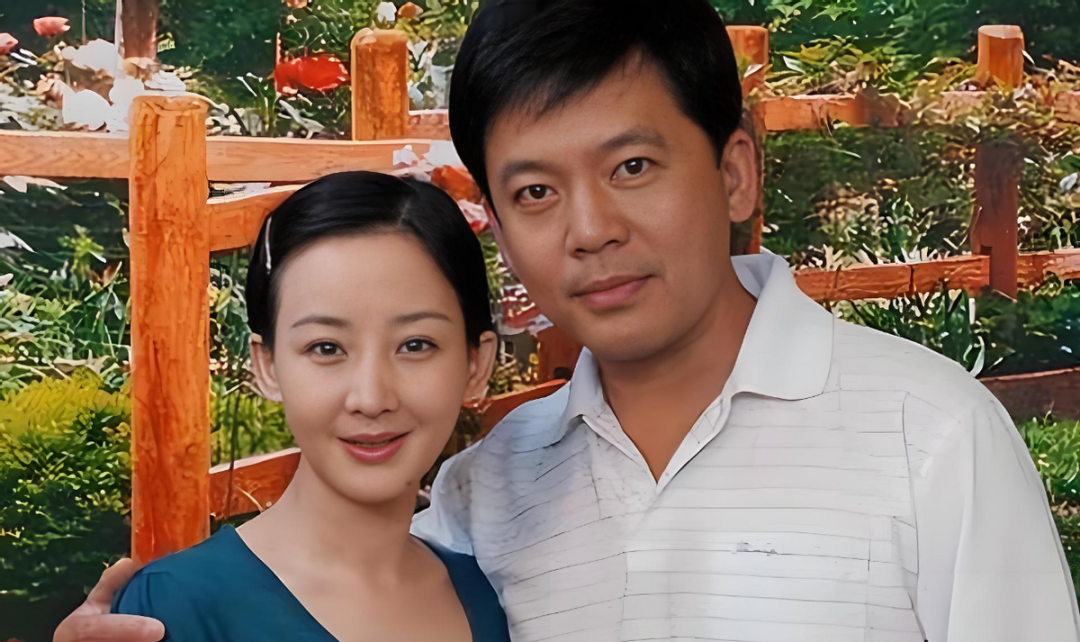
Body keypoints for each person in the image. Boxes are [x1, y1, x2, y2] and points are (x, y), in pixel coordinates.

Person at [56, 0, 1080, 641]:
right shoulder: (487, 490)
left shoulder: (928, 434)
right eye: (536, 191)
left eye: (631, 166)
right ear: (499, 225)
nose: (589, 230)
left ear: (733, 171)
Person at [101, 172, 509, 642]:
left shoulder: (493, 598)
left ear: (476, 364)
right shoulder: (173, 609)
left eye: (415, 344)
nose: (371, 398)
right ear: (268, 366)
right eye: (326, 348)